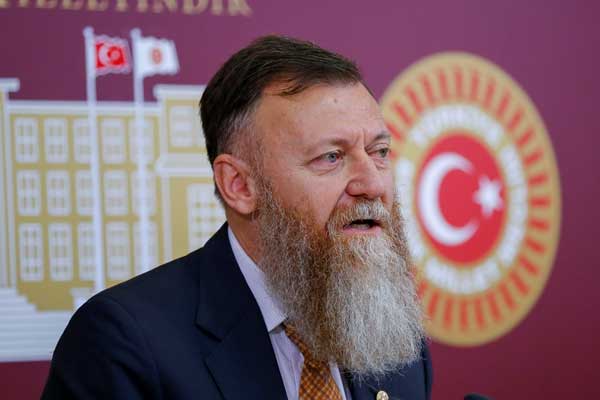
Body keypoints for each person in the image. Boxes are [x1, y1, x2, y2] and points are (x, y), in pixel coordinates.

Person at [42, 35, 433, 400]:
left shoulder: (394, 339)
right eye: (331, 157)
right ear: (240, 185)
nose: (372, 183)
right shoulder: (123, 344)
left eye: (379, 152)